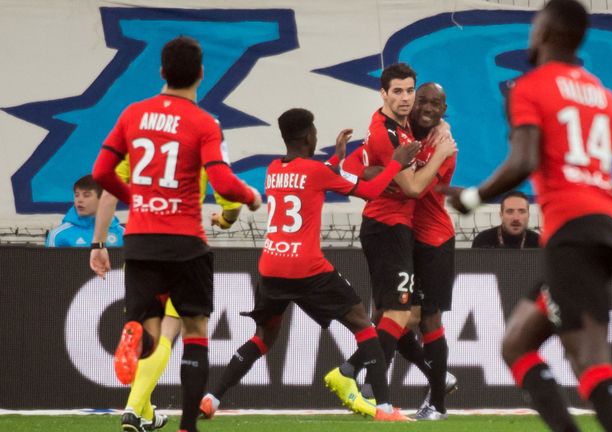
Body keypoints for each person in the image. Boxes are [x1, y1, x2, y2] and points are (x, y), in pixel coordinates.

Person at [444, 1, 612, 430]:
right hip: (601, 233)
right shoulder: (603, 95)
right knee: (516, 343)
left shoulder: (531, 87)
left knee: (590, 360)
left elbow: (523, 161)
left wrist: (471, 197)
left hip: (572, 236)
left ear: (545, 31)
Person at [197, 108, 421, 422]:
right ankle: (384, 408)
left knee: (263, 337)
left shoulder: (274, 168)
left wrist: (336, 160)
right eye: (314, 131)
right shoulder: (315, 171)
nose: (317, 136)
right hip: (306, 267)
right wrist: (397, 160)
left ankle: (211, 398)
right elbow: (370, 191)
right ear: (307, 136)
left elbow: (308, 181)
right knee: (363, 325)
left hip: (272, 266)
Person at [92, 36, 261, 432]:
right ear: (201, 73)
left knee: (152, 333)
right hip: (186, 242)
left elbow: (100, 174)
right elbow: (221, 179)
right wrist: (251, 196)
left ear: (162, 72)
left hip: (141, 239)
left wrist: (138, 198)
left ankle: (136, 334)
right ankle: (187, 426)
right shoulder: (204, 123)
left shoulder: (133, 114)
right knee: (195, 332)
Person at [323, 64, 457, 415]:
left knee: (419, 318)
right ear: (388, 95)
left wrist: (423, 157)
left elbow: (391, 177)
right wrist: (390, 166)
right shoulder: (398, 133)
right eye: (417, 98)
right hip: (396, 230)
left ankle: (430, 396)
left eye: (434, 104)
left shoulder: (441, 142)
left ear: (444, 110)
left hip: (432, 241)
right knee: (398, 315)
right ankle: (369, 378)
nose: (424, 107)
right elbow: (395, 180)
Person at [89, 156, 243, 431]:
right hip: (184, 248)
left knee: (150, 332)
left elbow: (109, 188)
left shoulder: (139, 135)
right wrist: (226, 219)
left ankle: (146, 413)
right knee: (173, 333)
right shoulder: (200, 137)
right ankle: (133, 409)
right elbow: (230, 196)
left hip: (141, 248)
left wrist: (98, 242)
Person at [45, 175, 124, 247]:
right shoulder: (58, 235)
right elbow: (49, 263)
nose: (79, 200)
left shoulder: (123, 234)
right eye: (77, 195)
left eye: (86, 195)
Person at [471, 191, 540, 249]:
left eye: (522, 211)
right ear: (501, 215)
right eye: (510, 211)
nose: (516, 218)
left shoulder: (539, 242)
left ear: (528, 215)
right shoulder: (483, 241)